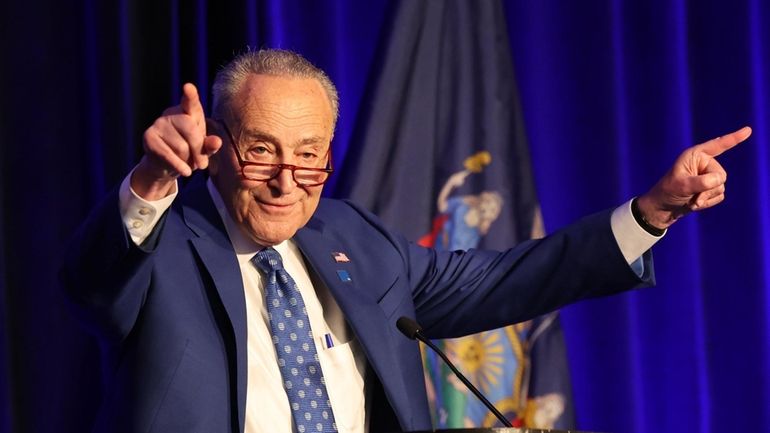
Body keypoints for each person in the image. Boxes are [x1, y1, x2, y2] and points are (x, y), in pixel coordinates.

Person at [61, 49, 751, 433]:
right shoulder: (161, 244)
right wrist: (152, 180)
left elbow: (507, 279)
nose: (285, 180)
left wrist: (652, 210)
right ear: (214, 149)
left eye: (308, 155)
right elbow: (93, 282)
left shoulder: (352, 237)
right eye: (259, 151)